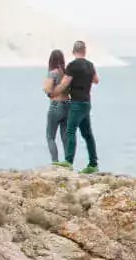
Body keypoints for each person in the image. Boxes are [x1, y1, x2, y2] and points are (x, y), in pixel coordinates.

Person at [60, 40, 98, 175]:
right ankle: (93, 164)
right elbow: (96, 80)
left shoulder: (72, 66)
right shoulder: (90, 65)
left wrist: (53, 92)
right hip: (87, 103)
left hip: (76, 103)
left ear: (73, 51)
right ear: (84, 51)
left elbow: (64, 83)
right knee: (88, 135)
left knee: (70, 131)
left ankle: (68, 161)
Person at [41, 50, 68, 166]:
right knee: (65, 136)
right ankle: (68, 162)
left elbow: (48, 89)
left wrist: (47, 90)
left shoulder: (52, 73)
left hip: (55, 105)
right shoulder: (67, 74)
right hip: (68, 105)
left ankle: (55, 162)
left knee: (50, 136)